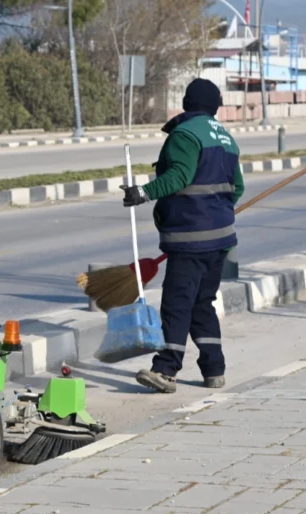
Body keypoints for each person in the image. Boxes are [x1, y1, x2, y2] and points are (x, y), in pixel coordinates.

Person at [120, 78, 243, 394]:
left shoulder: (185, 134)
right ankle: (214, 369)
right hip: (220, 239)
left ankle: (166, 370)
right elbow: (237, 188)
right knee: (203, 303)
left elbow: (179, 176)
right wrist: (217, 211)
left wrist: (143, 192)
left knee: (177, 304)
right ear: (215, 106)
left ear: (187, 103)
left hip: (190, 237)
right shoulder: (227, 139)